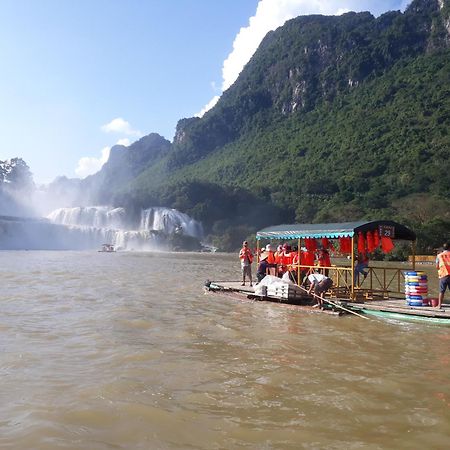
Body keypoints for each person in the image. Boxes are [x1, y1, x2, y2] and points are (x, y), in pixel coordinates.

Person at [436, 243, 450, 308]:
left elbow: (437, 266)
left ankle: (439, 305)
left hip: (443, 275)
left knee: (441, 291)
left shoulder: (439, 256)